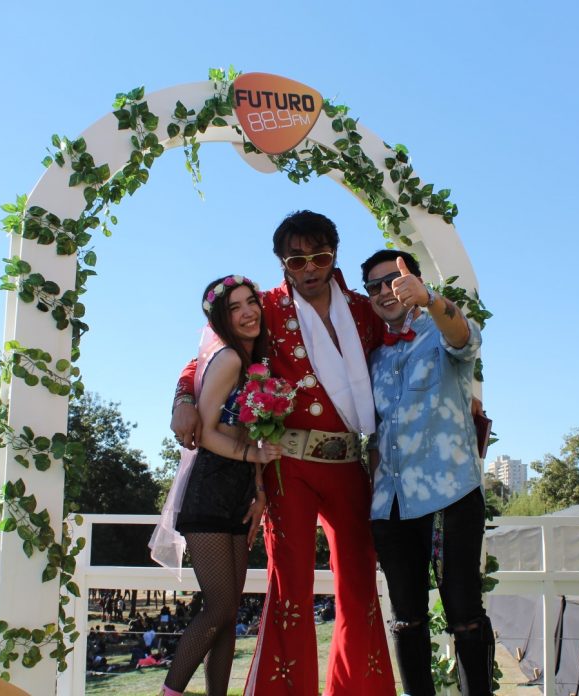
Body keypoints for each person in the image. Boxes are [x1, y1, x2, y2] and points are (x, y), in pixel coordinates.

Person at [170, 211, 394, 696]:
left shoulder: (363, 311)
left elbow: (405, 343)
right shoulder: (266, 308)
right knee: (289, 589)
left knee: (360, 588)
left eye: (320, 257)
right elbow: (206, 356)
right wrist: (183, 397)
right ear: (282, 263)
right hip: (286, 467)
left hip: (350, 465)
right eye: (297, 259)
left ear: (335, 256)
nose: (309, 268)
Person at [360, 249, 494, 695]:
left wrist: (431, 299)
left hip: (450, 496)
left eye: (394, 281)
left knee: (465, 615)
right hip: (390, 505)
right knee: (406, 620)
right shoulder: (373, 359)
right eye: (374, 286)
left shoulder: (440, 331)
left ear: (414, 281)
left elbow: (465, 338)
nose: (385, 291)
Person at [155, 274, 283, 696]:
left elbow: (252, 433)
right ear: (220, 321)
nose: (248, 313)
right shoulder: (227, 358)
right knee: (220, 607)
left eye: (251, 302)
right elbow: (206, 434)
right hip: (210, 489)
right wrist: (252, 457)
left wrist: (259, 490)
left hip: (240, 493)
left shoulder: (256, 363)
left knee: (228, 615)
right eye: (234, 308)